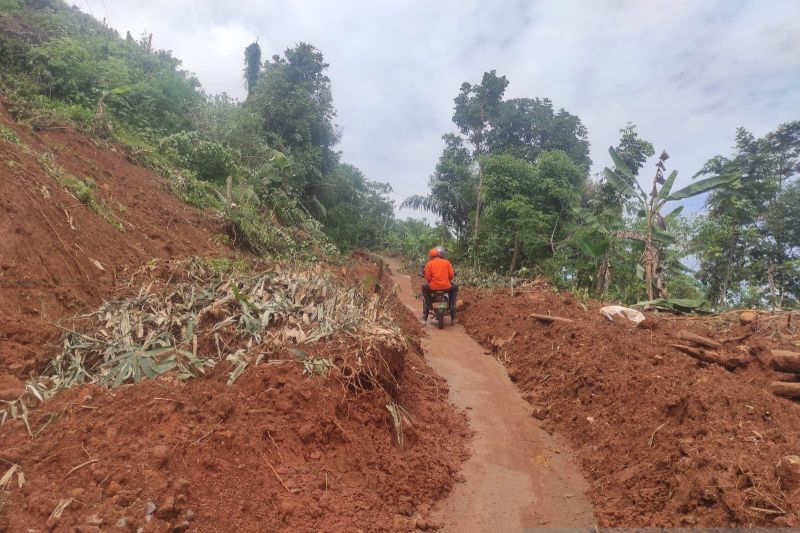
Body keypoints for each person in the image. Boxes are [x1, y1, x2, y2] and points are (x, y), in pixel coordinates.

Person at [421, 247, 458, 323]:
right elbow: (451, 275)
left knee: (424, 287)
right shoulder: (447, 262)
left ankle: (427, 310)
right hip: (446, 287)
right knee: (455, 287)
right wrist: (447, 281)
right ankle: (453, 314)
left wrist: (431, 282)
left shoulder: (429, 264)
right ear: (439, 254)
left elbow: (428, 278)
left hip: (433, 288)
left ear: (430, 256)